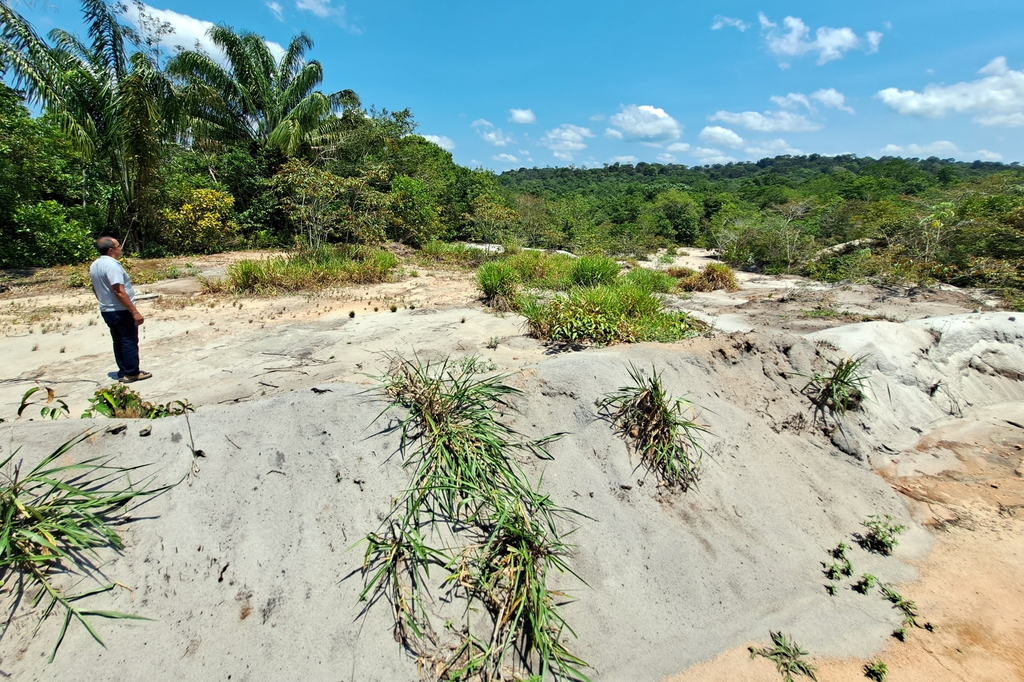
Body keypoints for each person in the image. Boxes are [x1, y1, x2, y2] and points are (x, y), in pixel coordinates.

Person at [89, 237, 152, 383]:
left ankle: (124, 370)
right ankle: (131, 372)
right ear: (111, 250)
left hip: (106, 309)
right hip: (120, 310)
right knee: (129, 340)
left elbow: (95, 288)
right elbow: (119, 291)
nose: (121, 248)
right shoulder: (112, 266)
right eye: (119, 246)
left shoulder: (95, 265)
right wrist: (134, 311)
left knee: (118, 340)